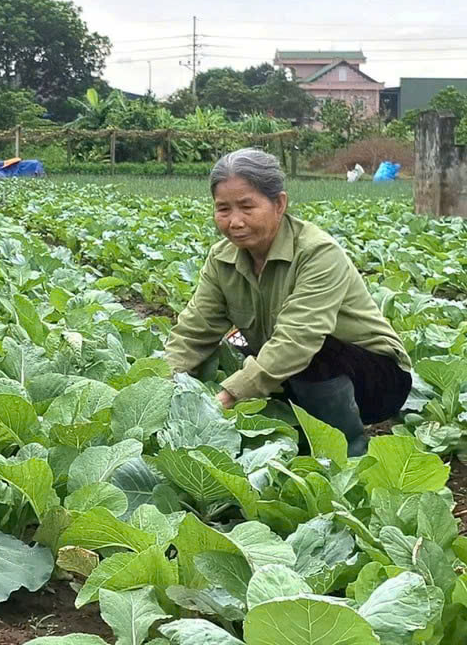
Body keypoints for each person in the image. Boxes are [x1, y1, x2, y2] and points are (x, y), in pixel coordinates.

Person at [164, 147, 411, 457]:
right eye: (223, 209)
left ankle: (345, 454)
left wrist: (227, 397)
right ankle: (298, 430)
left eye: (246, 206)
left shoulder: (317, 253)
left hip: (375, 379)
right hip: (296, 372)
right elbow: (194, 330)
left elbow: (298, 340)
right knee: (236, 346)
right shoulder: (221, 259)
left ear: (279, 204)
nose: (234, 221)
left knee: (308, 351)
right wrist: (157, 387)